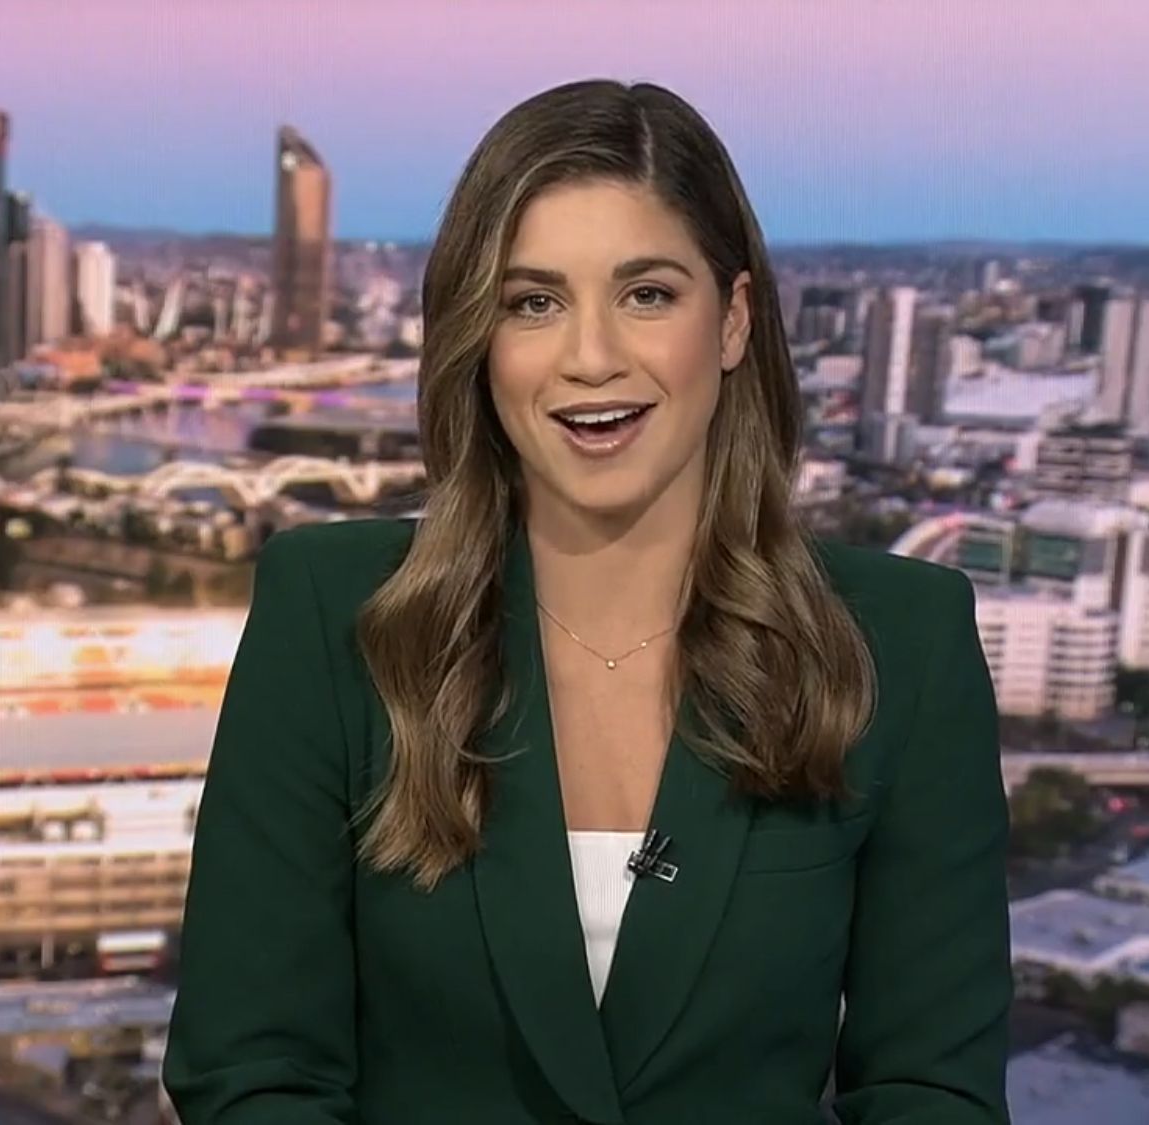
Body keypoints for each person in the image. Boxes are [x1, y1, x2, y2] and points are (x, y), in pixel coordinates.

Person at [163, 78, 1012, 1124]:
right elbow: (252, 1073)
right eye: (534, 302)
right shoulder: (331, 616)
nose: (592, 357)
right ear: (479, 338)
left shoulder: (902, 641)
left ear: (733, 320)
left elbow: (932, 1088)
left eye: (647, 294)